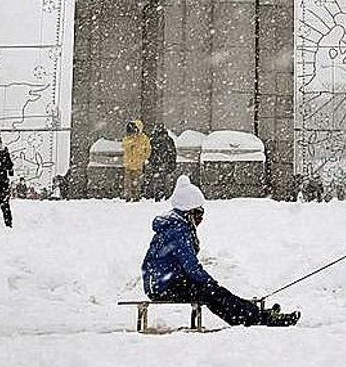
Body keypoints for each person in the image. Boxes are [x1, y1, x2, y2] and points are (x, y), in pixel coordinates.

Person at [141, 175, 300, 327]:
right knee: (211, 292)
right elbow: (191, 266)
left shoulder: (178, 226)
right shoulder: (178, 231)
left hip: (166, 282)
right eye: (199, 213)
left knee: (213, 291)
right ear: (188, 212)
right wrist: (209, 283)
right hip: (163, 286)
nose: (201, 218)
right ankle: (257, 318)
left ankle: (253, 313)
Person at [145, 124, 177, 202]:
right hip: (163, 164)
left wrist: (153, 161)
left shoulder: (154, 140)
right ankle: (165, 196)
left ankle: (159, 196)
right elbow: (172, 153)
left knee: (160, 181)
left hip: (160, 164)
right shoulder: (168, 140)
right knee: (166, 182)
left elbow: (151, 153)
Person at [122, 120, 152, 202]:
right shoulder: (127, 138)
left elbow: (148, 150)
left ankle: (136, 196)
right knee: (128, 182)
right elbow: (125, 146)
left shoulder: (144, 138)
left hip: (138, 164)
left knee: (137, 181)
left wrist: (143, 158)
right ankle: (128, 196)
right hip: (129, 163)